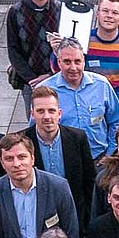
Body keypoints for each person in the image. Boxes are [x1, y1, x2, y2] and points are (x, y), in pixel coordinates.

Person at [48, 38, 119, 162]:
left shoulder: (101, 85)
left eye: (77, 61)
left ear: (84, 61)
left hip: (99, 160)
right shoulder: (46, 90)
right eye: (67, 62)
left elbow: (117, 121)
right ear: (59, 62)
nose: (73, 67)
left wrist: (110, 153)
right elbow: (36, 130)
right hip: (63, 162)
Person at [26, 85, 98, 213]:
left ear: (59, 114)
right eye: (40, 111)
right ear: (32, 114)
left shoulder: (78, 138)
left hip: (73, 210)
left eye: (51, 111)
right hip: (37, 212)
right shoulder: (23, 141)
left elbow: (89, 180)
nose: (47, 116)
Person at [7, 0, 58, 116]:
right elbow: (13, 51)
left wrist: (50, 75)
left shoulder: (61, 10)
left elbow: (71, 50)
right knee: (35, 123)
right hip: (32, 84)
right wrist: (31, 79)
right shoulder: (16, 12)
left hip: (58, 79)